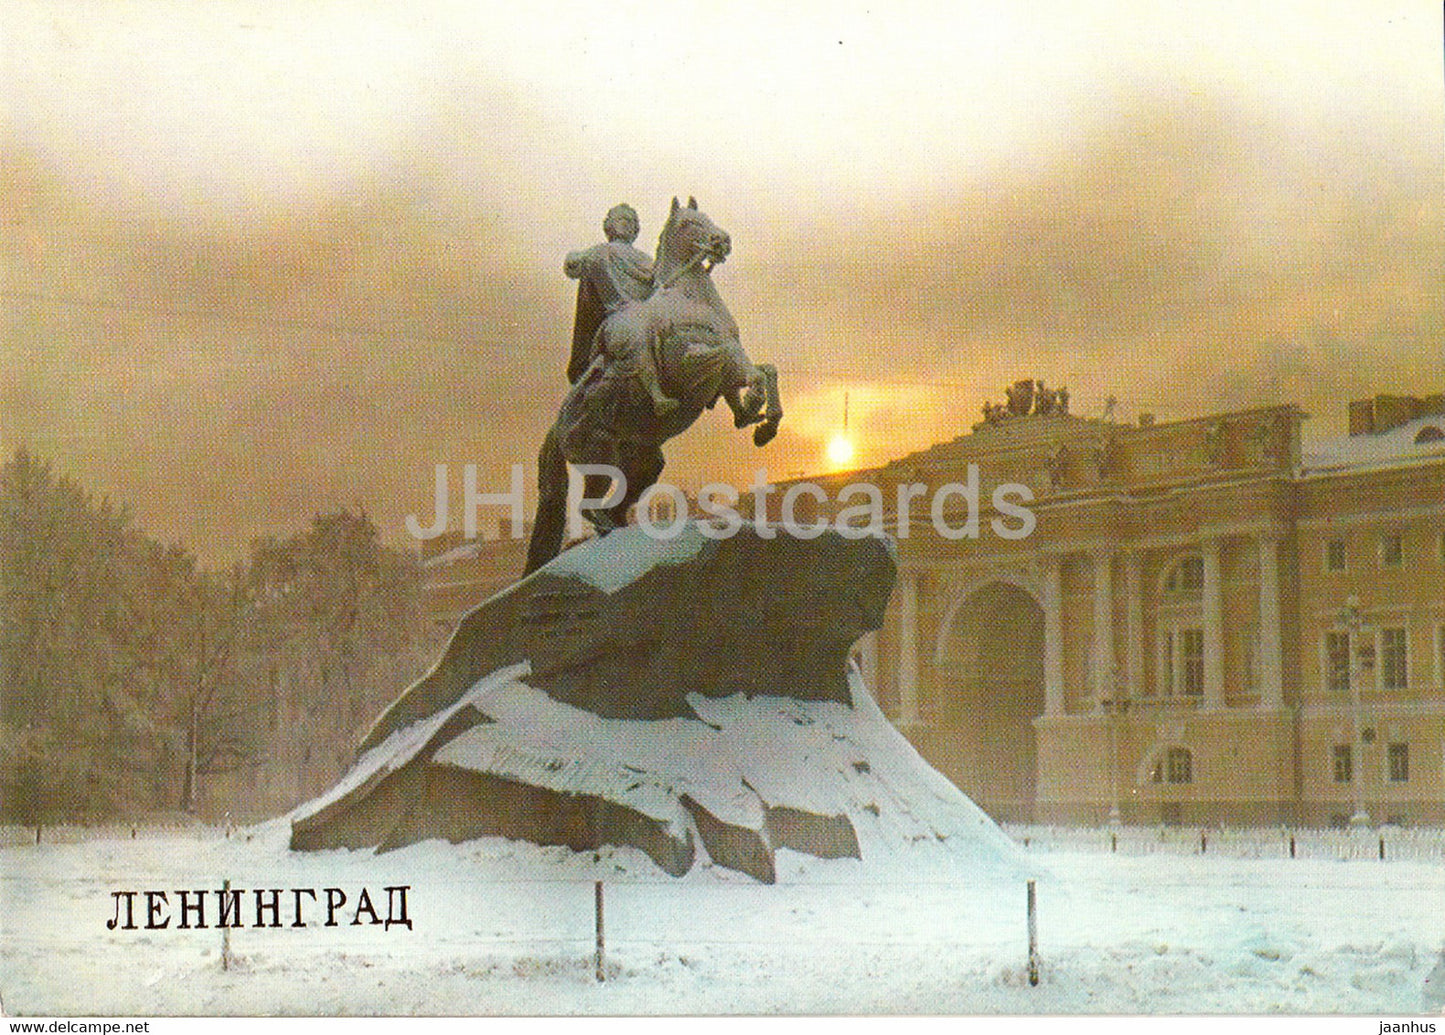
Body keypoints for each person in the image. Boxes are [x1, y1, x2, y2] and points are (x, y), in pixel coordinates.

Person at [564, 204, 676, 415]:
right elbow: (572, 265)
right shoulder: (601, 251)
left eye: (631, 221)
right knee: (632, 332)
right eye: (620, 219)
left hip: (645, 315)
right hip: (617, 315)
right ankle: (655, 395)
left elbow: (661, 283)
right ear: (608, 226)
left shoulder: (646, 260)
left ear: (636, 230)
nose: (626, 223)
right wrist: (577, 258)